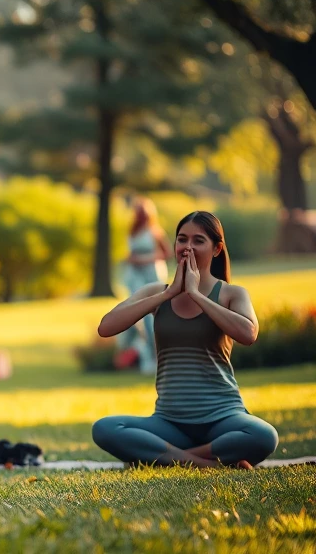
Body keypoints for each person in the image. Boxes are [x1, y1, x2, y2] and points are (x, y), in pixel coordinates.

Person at [92, 211, 278, 468]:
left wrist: (196, 294)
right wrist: (168, 294)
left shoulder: (231, 294)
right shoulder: (157, 292)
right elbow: (106, 327)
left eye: (198, 240)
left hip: (223, 418)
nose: (187, 247)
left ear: (217, 249)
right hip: (168, 422)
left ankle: (165, 456)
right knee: (105, 428)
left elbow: (249, 334)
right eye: (182, 239)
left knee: (264, 436)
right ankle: (206, 463)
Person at [116, 197, 172, 373]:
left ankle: (158, 357)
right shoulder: (132, 232)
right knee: (137, 316)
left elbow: (166, 253)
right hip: (135, 276)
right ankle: (143, 355)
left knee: (152, 317)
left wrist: (143, 259)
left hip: (151, 274)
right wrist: (130, 259)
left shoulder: (154, 231)